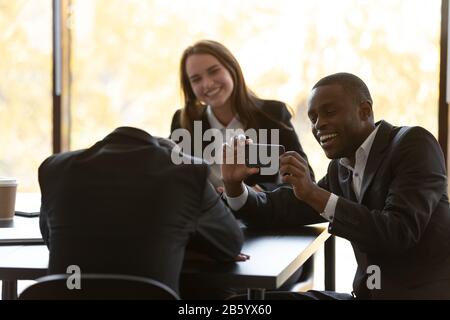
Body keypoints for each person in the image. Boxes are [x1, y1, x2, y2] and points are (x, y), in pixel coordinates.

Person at [223, 72, 450, 299]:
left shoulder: (413, 144)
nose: (318, 124)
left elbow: (398, 233)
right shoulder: (341, 169)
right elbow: (280, 209)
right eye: (313, 118)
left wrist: (313, 193)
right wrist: (234, 187)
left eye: (329, 112)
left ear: (365, 111)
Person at [38, 126, 246, 298]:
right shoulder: (188, 171)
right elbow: (230, 244)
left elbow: (51, 240)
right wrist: (181, 244)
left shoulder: (55, 168)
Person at [170, 39, 313, 191]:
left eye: (213, 71)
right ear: (190, 87)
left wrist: (262, 192)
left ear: (231, 69)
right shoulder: (184, 122)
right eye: (196, 79)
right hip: (207, 213)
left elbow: (304, 178)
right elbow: (174, 181)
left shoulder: (273, 114)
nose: (207, 84)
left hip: (260, 211)